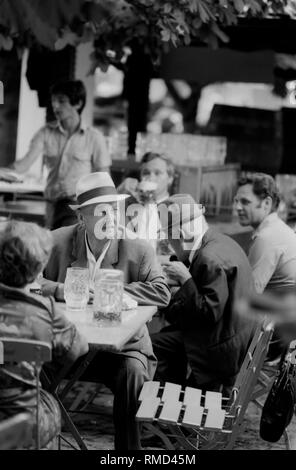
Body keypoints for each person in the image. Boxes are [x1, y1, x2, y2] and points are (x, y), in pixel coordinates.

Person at [40, 171, 171, 450]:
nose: (111, 219)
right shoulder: (54, 242)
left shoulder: (137, 248)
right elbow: (27, 279)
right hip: (68, 347)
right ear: (80, 219)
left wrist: (115, 292)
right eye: (101, 212)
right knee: (28, 361)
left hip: (120, 351)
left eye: (114, 210)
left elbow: (162, 291)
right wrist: (59, 289)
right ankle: (40, 438)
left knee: (133, 371)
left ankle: (128, 452)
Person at [151, 194, 256, 394]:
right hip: (231, 336)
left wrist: (185, 280)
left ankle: (168, 402)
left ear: (182, 232)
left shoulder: (208, 258)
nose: (168, 243)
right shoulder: (218, 240)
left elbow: (208, 313)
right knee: (167, 336)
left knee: (152, 345)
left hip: (221, 349)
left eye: (167, 237)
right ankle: (174, 394)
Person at [0, 221, 88, 449]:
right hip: (21, 421)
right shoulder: (43, 310)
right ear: (39, 269)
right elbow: (78, 350)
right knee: (49, 402)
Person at [5, 80, 110, 230]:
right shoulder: (45, 132)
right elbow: (24, 164)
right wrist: (3, 172)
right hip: (51, 206)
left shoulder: (94, 137)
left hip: (77, 207)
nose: (55, 106)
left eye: (61, 101)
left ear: (78, 104)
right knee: (50, 248)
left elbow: (104, 179)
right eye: (54, 101)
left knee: (66, 247)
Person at [234, 173, 296, 295]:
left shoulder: (266, 238)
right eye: (236, 201)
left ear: (266, 203)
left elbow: (249, 294)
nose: (238, 207)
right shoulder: (277, 228)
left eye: (245, 202)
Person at [117, 152, 175, 254]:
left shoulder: (178, 212)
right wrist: (119, 191)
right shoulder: (127, 206)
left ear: (170, 178)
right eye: (146, 173)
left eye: (157, 173)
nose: (151, 178)